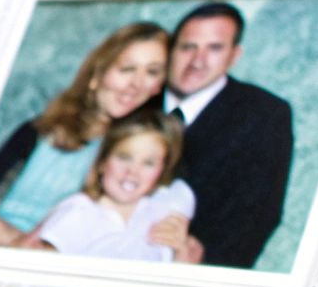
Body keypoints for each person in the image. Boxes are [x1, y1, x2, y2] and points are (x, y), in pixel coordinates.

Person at [0, 21, 168, 245]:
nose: (137, 84)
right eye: (127, 69)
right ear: (98, 74)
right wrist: (22, 245)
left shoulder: (150, 154)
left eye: (152, 72)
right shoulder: (38, 132)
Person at [147, 1, 293, 269]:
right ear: (171, 49)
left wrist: (202, 267)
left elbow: (259, 213)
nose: (197, 61)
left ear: (234, 56)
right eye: (188, 47)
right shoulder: (138, 96)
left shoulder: (264, 114)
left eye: (214, 48)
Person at [21, 109, 195, 262]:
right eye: (124, 157)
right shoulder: (78, 211)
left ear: (161, 171)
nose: (132, 172)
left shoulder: (162, 214)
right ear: (103, 162)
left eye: (148, 163)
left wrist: (180, 252)